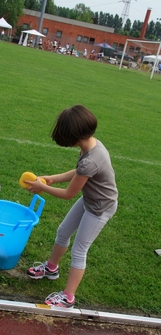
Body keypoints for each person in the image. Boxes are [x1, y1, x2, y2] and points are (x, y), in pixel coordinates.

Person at [25, 105, 118, 308]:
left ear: (75, 135)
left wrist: (42, 187)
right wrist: (52, 179)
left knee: (79, 249)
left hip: (100, 207)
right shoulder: (92, 146)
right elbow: (78, 172)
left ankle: (68, 297)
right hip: (90, 199)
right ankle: (51, 268)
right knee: (63, 231)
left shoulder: (91, 159)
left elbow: (69, 194)